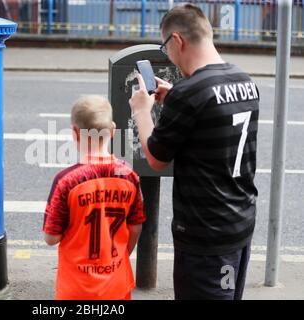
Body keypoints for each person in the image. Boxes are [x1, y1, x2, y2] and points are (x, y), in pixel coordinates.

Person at [129, 3, 259, 300]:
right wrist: (176, 97)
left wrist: (141, 111)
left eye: (166, 48)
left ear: (177, 40)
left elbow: (156, 157)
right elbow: (215, 115)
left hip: (205, 235)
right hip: (240, 224)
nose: (169, 57)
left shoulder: (190, 92)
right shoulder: (245, 80)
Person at [43, 95, 146, 300]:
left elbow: (51, 238)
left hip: (76, 287)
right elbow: (135, 226)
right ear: (113, 130)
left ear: (75, 133)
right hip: (117, 282)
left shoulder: (66, 181)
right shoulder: (129, 176)